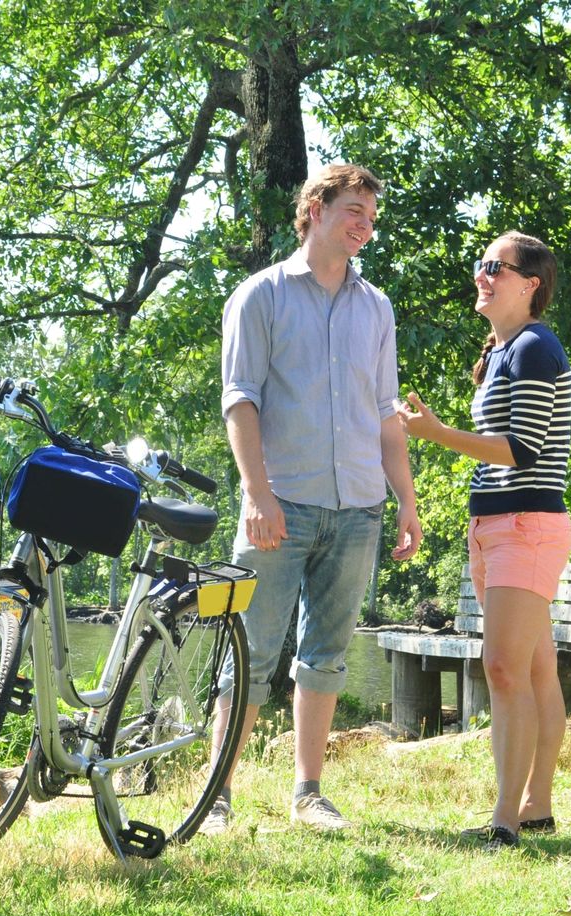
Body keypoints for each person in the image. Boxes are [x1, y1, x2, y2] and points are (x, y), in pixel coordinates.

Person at [202, 163, 423, 834]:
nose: (364, 225)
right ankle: (216, 796)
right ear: (317, 209)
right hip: (280, 506)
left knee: (325, 653)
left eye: (372, 217)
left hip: (357, 508)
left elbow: (386, 416)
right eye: (354, 210)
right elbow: (239, 401)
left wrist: (406, 505)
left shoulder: (376, 307)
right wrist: (256, 494)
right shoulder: (260, 296)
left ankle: (308, 793)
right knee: (249, 652)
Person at [398, 231, 571, 852]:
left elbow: (521, 451)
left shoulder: (533, 347)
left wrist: (436, 433)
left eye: (495, 267)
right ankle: (536, 807)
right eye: (481, 264)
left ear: (530, 284)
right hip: (498, 525)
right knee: (531, 669)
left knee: (503, 669)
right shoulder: (502, 350)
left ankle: (503, 819)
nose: (482, 274)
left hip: (525, 524)